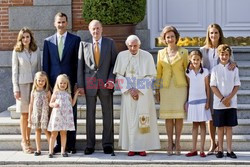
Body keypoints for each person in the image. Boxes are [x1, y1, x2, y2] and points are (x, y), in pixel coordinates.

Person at [113, 35, 161, 156]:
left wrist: (138, 89)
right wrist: (130, 89)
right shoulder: (122, 56)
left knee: (143, 118)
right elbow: (119, 75)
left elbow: (151, 76)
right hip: (128, 93)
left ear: (139, 45)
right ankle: (131, 147)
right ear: (127, 45)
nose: (133, 48)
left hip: (143, 94)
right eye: (130, 46)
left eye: (135, 46)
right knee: (129, 119)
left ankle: (142, 147)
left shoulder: (147, 56)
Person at [77, 20, 117, 155]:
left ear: (102, 29)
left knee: (108, 115)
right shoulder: (84, 45)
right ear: (89, 30)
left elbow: (114, 65)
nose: (96, 31)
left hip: (105, 84)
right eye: (93, 29)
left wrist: (111, 80)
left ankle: (107, 144)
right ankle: (90, 145)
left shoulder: (109, 43)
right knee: (90, 115)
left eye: (98, 28)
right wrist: (81, 85)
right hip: (89, 85)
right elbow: (80, 66)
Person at [43, 12, 81, 154]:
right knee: (56, 115)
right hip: (54, 85)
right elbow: (45, 65)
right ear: (55, 23)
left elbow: (78, 63)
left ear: (67, 23)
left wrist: (77, 82)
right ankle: (59, 145)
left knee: (71, 114)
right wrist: (47, 87)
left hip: (69, 85)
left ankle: (71, 144)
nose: (61, 24)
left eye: (63, 22)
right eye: (59, 22)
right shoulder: (48, 41)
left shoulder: (75, 40)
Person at [200, 23, 237, 155]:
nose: (213, 35)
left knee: (221, 115)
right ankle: (213, 143)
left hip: (222, 87)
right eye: (211, 33)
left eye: (216, 33)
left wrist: (233, 63)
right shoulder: (203, 50)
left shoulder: (224, 49)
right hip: (208, 85)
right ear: (208, 35)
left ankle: (225, 146)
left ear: (220, 34)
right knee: (210, 116)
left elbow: (232, 62)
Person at [155, 26, 188, 156]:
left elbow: (188, 72)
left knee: (179, 116)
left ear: (176, 37)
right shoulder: (160, 53)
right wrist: (156, 89)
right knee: (168, 117)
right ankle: (170, 143)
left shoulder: (184, 52)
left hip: (180, 87)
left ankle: (178, 142)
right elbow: (158, 73)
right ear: (164, 39)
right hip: (166, 88)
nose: (170, 39)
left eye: (172, 36)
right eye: (167, 37)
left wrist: (190, 90)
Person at [12, 27, 41, 154]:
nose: (25, 39)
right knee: (24, 114)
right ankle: (24, 141)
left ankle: (29, 139)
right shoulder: (17, 51)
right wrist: (15, 89)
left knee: (32, 114)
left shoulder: (36, 50)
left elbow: (40, 68)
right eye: (23, 37)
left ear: (31, 37)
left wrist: (41, 87)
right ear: (20, 38)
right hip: (22, 85)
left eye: (27, 37)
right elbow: (14, 71)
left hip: (35, 85)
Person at [210, 44, 240, 159]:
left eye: (226, 54)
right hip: (219, 104)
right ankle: (220, 149)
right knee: (220, 127)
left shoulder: (234, 69)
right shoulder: (215, 70)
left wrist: (229, 98)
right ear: (218, 54)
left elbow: (237, 85)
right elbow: (213, 86)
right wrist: (222, 99)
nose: (224, 56)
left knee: (229, 127)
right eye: (222, 54)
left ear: (229, 56)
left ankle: (229, 150)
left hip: (231, 103)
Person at [185, 50, 212, 158]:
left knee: (202, 125)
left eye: (198, 59)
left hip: (202, 101)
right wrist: (187, 101)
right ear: (190, 60)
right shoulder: (187, 72)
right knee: (195, 125)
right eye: (194, 59)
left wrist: (208, 101)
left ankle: (202, 149)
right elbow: (188, 87)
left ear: (201, 60)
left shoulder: (205, 71)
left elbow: (207, 88)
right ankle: (194, 149)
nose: (196, 61)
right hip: (192, 101)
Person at [47, 74, 80, 158]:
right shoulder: (55, 93)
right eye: (61, 83)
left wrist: (76, 94)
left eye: (64, 83)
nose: (62, 85)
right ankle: (50, 151)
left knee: (63, 134)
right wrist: (54, 104)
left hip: (65, 117)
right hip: (57, 117)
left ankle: (63, 151)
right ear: (57, 84)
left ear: (67, 84)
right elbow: (50, 103)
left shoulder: (68, 94)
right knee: (54, 134)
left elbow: (72, 103)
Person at [28, 71, 51, 156]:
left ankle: (51, 148)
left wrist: (51, 115)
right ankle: (38, 149)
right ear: (36, 81)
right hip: (36, 114)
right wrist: (30, 116)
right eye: (39, 80)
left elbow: (50, 103)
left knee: (46, 130)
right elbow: (31, 104)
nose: (41, 82)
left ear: (46, 81)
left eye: (43, 81)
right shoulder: (33, 91)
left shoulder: (47, 91)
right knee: (37, 131)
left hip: (44, 114)